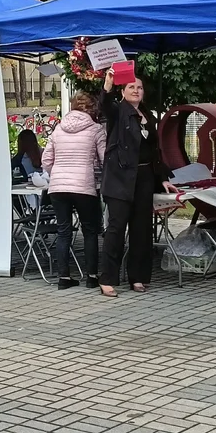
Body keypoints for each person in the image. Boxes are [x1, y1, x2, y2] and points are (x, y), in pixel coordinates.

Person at [97, 68, 176, 297]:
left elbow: (154, 151)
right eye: (131, 87)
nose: (136, 90)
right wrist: (108, 85)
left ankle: (138, 277)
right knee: (116, 229)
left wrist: (162, 179)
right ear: (123, 91)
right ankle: (108, 278)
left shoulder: (147, 116)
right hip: (120, 179)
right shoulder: (117, 112)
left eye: (139, 87)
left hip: (143, 178)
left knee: (142, 231)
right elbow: (105, 106)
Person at [41, 92, 106, 290]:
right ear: (92, 108)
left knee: (64, 232)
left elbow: (46, 160)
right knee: (89, 231)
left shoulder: (58, 130)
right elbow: (105, 159)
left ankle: (64, 278)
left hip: (58, 188)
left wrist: (59, 174)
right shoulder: (96, 129)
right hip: (83, 186)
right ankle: (92, 277)